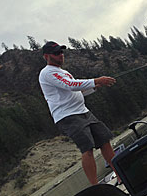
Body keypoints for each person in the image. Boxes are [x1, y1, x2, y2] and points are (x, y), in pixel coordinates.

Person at [39, 41, 119, 185]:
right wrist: (96, 80)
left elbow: (77, 90)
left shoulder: (63, 72)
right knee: (87, 148)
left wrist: (95, 87)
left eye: (61, 52)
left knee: (104, 141)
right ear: (46, 56)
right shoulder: (47, 73)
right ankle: (96, 186)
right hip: (68, 116)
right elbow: (70, 85)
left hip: (83, 112)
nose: (61, 55)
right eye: (56, 53)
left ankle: (120, 175)